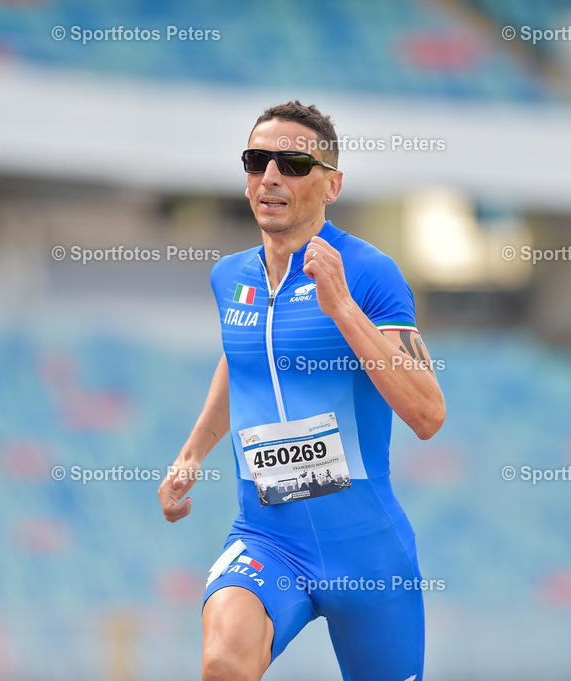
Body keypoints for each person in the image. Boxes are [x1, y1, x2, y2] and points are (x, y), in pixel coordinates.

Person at [158, 100, 445, 681]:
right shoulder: (229, 277)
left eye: (292, 163)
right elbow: (240, 364)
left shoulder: (369, 272)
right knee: (224, 662)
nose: (270, 176)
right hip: (269, 538)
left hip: (365, 552)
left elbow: (427, 413)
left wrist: (340, 305)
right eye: (257, 160)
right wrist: (190, 456)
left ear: (331, 184)